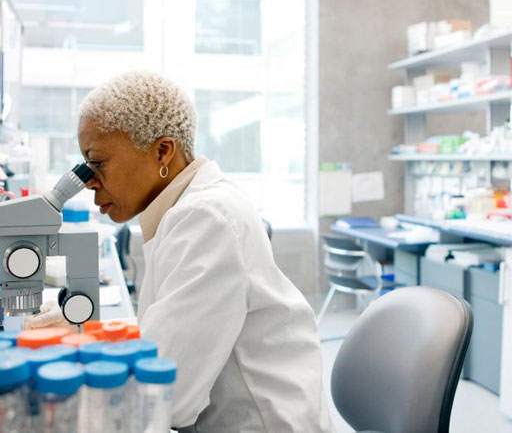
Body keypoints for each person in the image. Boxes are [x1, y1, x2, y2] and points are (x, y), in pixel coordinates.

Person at [25, 70, 333, 432]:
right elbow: (164, 337)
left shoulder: (206, 219)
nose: (89, 181)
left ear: (162, 151)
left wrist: (76, 350)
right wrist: (88, 333)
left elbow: (165, 397)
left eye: (97, 162)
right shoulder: (185, 210)